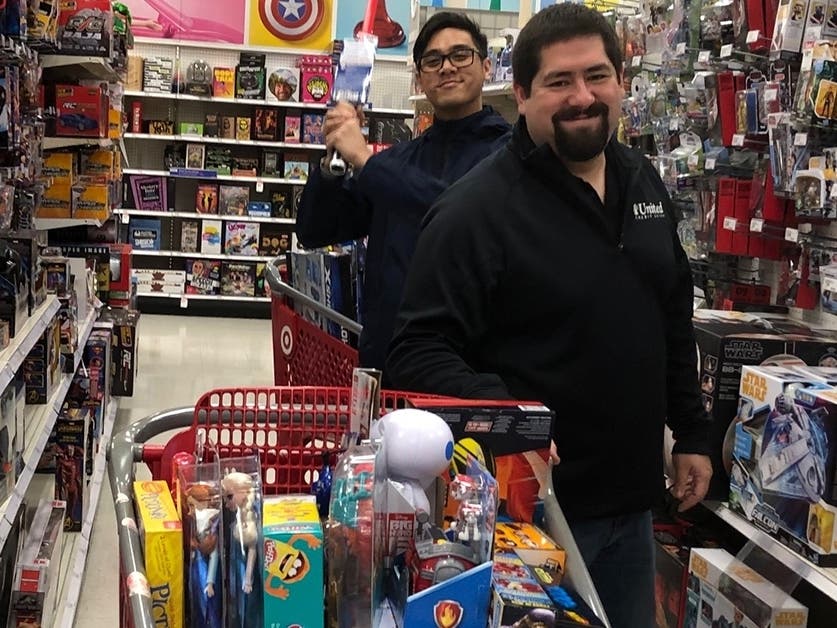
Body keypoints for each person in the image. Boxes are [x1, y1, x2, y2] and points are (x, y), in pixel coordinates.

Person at [385, 5, 712, 627]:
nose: (582, 97)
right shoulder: (475, 211)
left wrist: (692, 433)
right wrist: (514, 420)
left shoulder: (643, 181)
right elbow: (419, 347)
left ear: (622, 81)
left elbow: (669, 311)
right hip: (529, 521)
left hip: (634, 509)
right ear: (522, 93)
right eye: (560, 81)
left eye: (597, 76)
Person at [295, 11, 511, 373]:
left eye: (461, 55)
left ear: (487, 66)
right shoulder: (401, 159)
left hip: (466, 371)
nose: (447, 67)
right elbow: (316, 229)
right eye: (432, 60)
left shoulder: (508, 154)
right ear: (419, 77)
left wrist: (363, 158)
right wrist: (331, 160)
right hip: (387, 365)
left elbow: (451, 210)